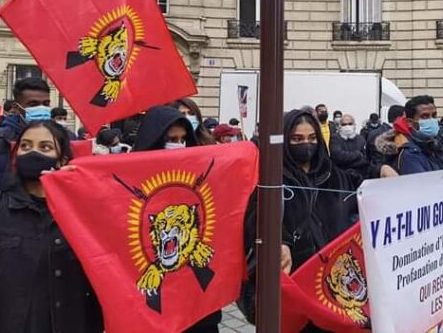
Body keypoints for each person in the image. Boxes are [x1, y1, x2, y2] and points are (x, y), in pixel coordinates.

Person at [0, 121, 103, 332]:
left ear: (62, 160)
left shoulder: (81, 216)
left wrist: (84, 191)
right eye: (25, 146)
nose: (33, 152)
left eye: (45, 147)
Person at [238, 110, 357, 328]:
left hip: (332, 284)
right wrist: (280, 241)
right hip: (294, 280)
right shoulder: (269, 177)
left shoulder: (332, 174)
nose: (306, 144)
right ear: (285, 140)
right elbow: (255, 219)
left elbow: (355, 198)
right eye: (297, 139)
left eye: (312, 138)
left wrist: (382, 170)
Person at [130, 106, 222, 331]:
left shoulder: (197, 176)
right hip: (153, 316)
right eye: (171, 140)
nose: (179, 145)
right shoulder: (130, 179)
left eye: (183, 139)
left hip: (198, 311)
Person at [0, 77, 53, 189]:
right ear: (16, 107)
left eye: (46, 104)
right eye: (33, 104)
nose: (41, 109)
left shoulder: (61, 138)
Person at [396, 96, 443, 175]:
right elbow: (424, 182)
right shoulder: (410, 155)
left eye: (434, 115)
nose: (431, 120)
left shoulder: (437, 146)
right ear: (410, 122)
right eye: (424, 116)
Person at [330, 114, 369, 183]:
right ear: (340, 126)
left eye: (350, 124)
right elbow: (338, 157)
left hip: (359, 176)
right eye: (344, 124)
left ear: (354, 125)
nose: (347, 126)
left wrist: (347, 162)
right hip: (341, 178)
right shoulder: (334, 138)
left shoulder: (360, 139)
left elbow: (365, 159)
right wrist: (357, 154)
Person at [369, 105, 405, 178]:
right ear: (399, 118)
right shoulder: (397, 134)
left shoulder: (372, 133)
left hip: (375, 172)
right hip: (391, 174)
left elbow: (368, 155)